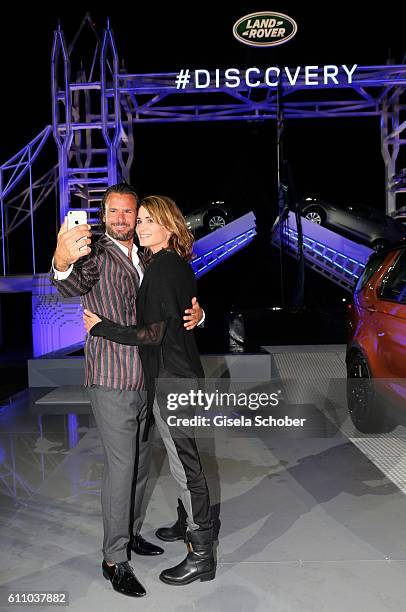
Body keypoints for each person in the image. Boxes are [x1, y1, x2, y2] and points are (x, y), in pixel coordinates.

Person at [51, 182, 204, 597]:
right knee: (121, 469)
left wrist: (199, 313)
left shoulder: (148, 254)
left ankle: (131, 533)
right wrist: (62, 260)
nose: (122, 220)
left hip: (149, 378)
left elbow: (170, 303)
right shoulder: (96, 254)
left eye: (129, 214)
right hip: (113, 379)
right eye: (114, 212)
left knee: (138, 466)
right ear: (104, 215)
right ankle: (114, 559)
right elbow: (69, 284)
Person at [83, 195, 216, 586]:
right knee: (180, 456)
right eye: (137, 220)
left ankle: (202, 554)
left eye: (148, 221)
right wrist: (199, 314)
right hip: (174, 374)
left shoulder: (162, 269)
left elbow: (152, 333)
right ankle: (184, 522)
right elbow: (179, 312)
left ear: (170, 227)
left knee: (185, 463)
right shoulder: (166, 263)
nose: (139, 226)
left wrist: (100, 327)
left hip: (173, 379)